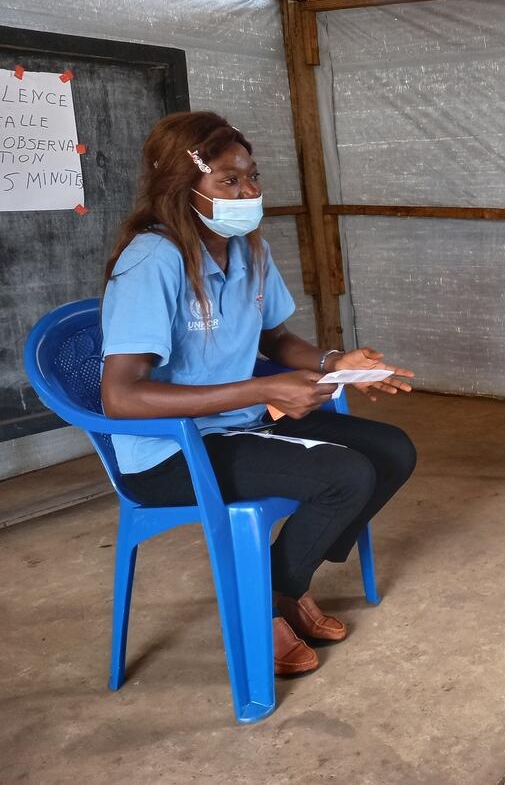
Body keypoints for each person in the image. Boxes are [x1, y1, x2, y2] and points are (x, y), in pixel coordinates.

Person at [100, 111, 417, 678]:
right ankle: (267, 603)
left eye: (251, 177)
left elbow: (276, 337)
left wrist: (332, 363)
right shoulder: (153, 259)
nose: (249, 192)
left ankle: (280, 588)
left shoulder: (248, 250)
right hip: (171, 452)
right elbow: (120, 398)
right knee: (345, 476)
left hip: (242, 422)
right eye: (229, 181)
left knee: (391, 450)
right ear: (182, 186)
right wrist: (265, 387)